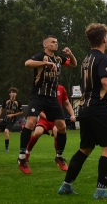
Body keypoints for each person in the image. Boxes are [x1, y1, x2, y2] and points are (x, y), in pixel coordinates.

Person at [58, 23, 107, 199]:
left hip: (85, 109)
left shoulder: (86, 59)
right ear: (104, 39)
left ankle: (66, 186)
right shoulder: (103, 58)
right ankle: (101, 191)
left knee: (85, 148)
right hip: (98, 109)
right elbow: (105, 82)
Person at [18, 35, 77, 174]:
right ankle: (22, 158)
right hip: (38, 95)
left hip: (51, 98)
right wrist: (46, 64)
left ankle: (59, 157)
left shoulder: (58, 59)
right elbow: (27, 63)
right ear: (45, 45)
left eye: (57, 42)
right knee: (31, 122)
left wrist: (70, 54)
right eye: (53, 42)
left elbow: (73, 64)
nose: (56, 44)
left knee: (62, 126)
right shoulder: (40, 56)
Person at [25, 85, 76, 170]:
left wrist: (72, 115)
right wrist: (47, 117)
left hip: (56, 118)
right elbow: (38, 109)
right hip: (44, 118)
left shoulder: (61, 88)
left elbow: (67, 103)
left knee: (57, 131)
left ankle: (58, 158)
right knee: (37, 132)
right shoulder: (42, 88)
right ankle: (26, 154)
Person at [0, 87, 23, 152]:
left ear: (16, 94)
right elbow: (1, 109)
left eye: (14, 92)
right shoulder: (6, 101)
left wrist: (12, 115)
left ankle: (6, 148)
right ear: (9, 94)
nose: (13, 94)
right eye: (11, 92)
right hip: (5, 120)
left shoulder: (18, 102)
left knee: (6, 131)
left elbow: (21, 112)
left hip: (12, 120)